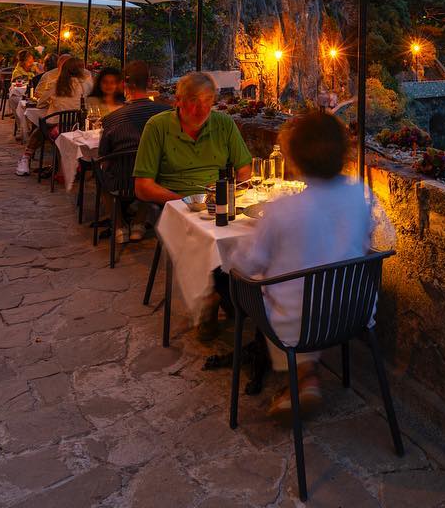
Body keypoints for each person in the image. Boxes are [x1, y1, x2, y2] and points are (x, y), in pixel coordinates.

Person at [228, 109, 375, 417]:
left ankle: (302, 374)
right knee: (298, 280)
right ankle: (306, 375)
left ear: (294, 156)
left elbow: (249, 262)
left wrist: (233, 255)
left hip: (301, 323)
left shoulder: (282, 209)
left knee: (250, 286)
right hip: (355, 311)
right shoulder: (360, 197)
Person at [134, 71, 252, 337]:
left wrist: (235, 192)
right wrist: (185, 203)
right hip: (174, 204)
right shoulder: (158, 126)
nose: (200, 108)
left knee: (251, 234)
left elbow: (245, 169)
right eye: (193, 101)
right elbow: (142, 186)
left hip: (221, 202)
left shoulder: (223, 124)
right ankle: (217, 298)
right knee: (208, 237)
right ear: (178, 100)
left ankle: (239, 300)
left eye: (207, 100)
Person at [98, 61, 172, 241]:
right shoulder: (167, 113)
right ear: (149, 83)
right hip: (155, 181)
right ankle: (139, 222)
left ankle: (119, 226)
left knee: (101, 174)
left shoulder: (111, 119)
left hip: (121, 183)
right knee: (151, 169)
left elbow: (104, 157)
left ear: (124, 85)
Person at [15, 57, 88, 177]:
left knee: (40, 129)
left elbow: (40, 104)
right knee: (46, 126)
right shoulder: (85, 86)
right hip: (78, 129)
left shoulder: (56, 84)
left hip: (57, 131)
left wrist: (53, 102)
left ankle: (26, 158)